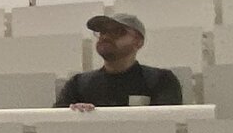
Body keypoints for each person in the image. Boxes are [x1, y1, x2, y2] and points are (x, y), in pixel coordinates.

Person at [53, 14, 183, 110]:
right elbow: (56, 126)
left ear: (138, 42)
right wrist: (73, 115)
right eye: (102, 32)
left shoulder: (162, 80)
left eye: (117, 31)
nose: (105, 37)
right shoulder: (78, 83)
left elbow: (163, 127)